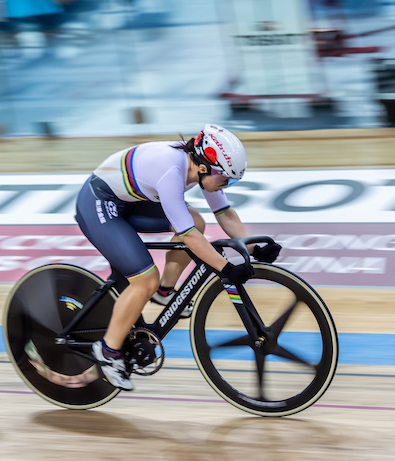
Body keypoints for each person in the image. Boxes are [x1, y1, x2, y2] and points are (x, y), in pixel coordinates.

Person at [74, 125, 282, 391]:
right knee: (144, 279)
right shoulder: (172, 172)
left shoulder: (202, 165)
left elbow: (225, 213)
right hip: (100, 203)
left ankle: (165, 291)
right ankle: (107, 352)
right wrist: (226, 268)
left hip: (132, 199)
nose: (226, 185)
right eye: (226, 180)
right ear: (206, 167)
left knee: (195, 220)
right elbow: (189, 237)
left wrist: (254, 249)